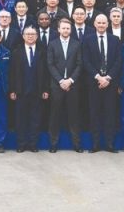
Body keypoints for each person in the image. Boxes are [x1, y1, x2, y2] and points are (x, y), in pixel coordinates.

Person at [82, 14, 121, 153]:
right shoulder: (87, 40)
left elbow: (118, 60)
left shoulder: (115, 39)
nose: (101, 25)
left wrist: (108, 78)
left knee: (110, 114)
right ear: (94, 24)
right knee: (94, 114)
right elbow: (86, 61)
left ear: (108, 24)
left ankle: (110, 144)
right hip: (94, 83)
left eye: (104, 23)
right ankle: (95, 144)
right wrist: (99, 77)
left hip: (110, 84)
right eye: (99, 22)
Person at [9, 26, 49, 152]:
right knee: (21, 120)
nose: (30, 36)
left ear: (37, 36)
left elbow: (47, 72)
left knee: (35, 119)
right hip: (21, 91)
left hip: (37, 91)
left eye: (33, 34)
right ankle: (21, 144)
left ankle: (33, 144)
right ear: (23, 36)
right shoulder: (16, 52)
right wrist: (12, 90)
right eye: (27, 34)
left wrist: (46, 90)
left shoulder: (43, 52)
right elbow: (12, 72)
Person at [46, 18, 83, 152]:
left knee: (74, 115)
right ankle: (53, 144)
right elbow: (50, 64)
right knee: (55, 115)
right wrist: (61, 81)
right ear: (58, 29)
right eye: (63, 28)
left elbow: (79, 64)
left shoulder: (77, 44)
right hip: (57, 85)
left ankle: (77, 144)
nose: (66, 30)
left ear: (71, 30)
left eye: (68, 28)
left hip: (73, 85)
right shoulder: (52, 44)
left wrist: (70, 80)